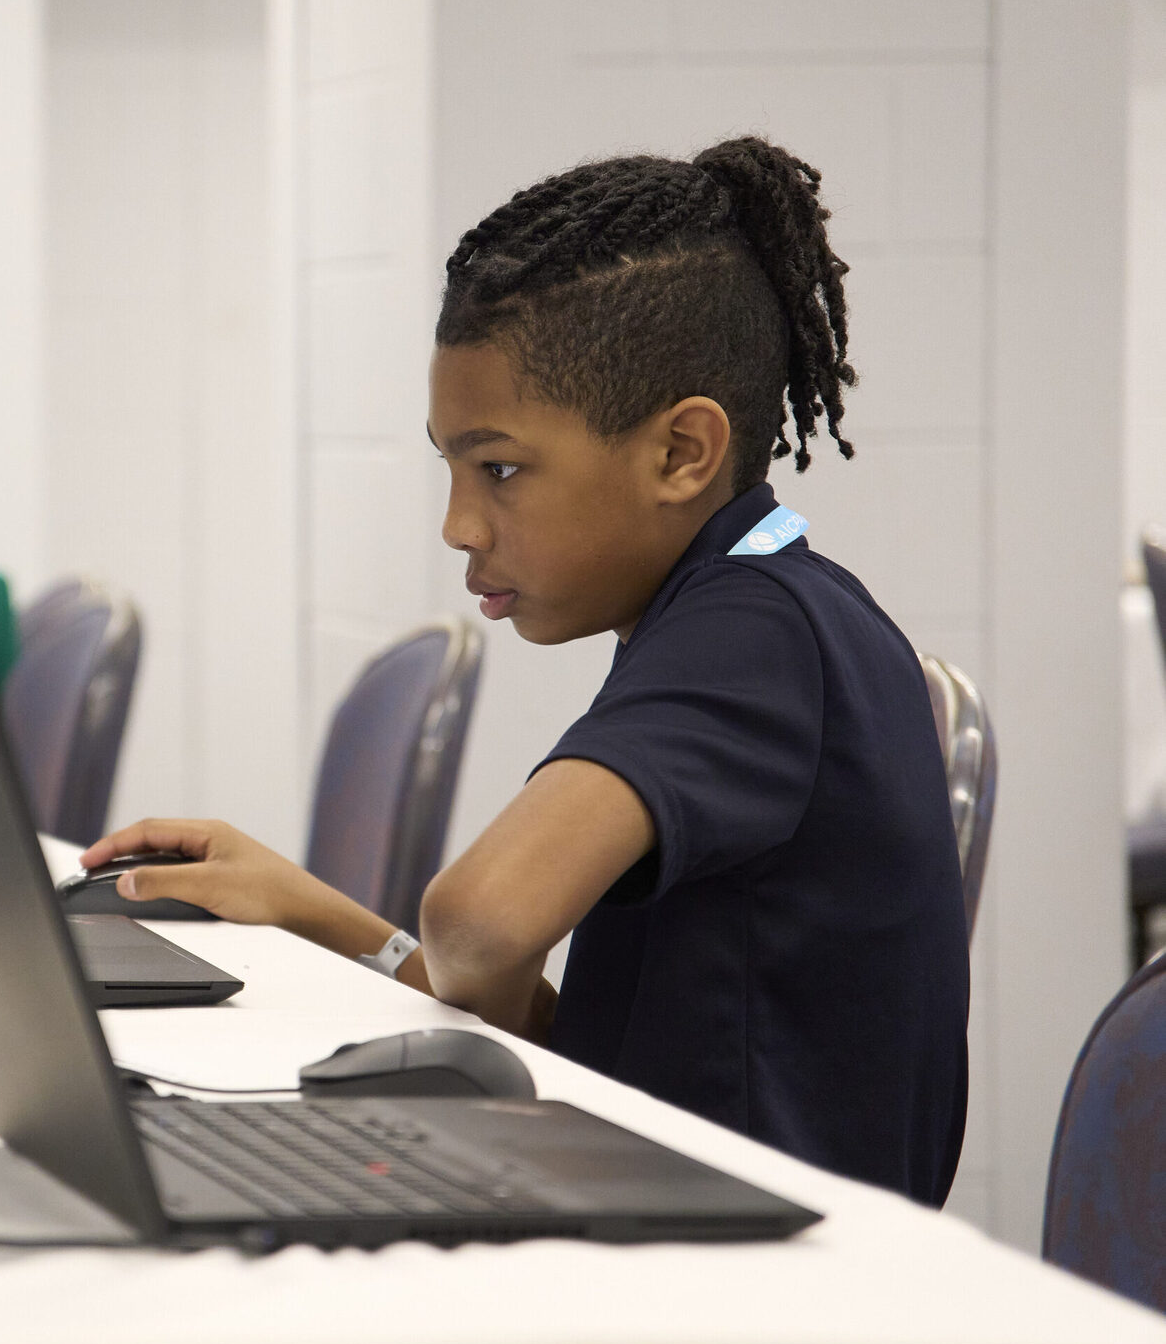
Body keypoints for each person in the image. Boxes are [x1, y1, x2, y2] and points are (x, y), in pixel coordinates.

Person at [81, 136, 970, 1206]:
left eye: (500, 468)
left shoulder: (756, 631)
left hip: (741, 1265)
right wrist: (312, 911)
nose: (459, 525)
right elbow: (581, 1044)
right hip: (692, 1207)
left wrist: (421, 940)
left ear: (682, 454)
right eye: (453, 468)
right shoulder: (768, 607)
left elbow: (481, 921)